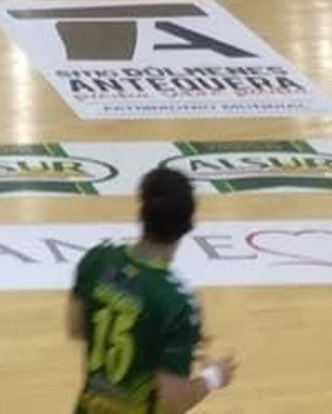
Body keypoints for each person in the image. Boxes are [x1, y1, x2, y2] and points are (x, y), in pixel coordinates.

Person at [69, 168, 236, 414]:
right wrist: (215, 377)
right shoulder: (177, 303)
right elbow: (176, 399)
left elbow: (76, 328)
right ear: (189, 224)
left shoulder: (97, 260)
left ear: (141, 212)